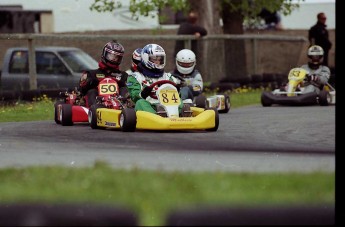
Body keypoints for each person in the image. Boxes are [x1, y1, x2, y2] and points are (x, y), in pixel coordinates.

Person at [126, 43, 185, 115]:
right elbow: (134, 95)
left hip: (169, 105)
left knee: (180, 101)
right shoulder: (135, 77)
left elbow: (177, 96)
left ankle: (183, 114)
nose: (157, 62)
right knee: (140, 103)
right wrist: (143, 93)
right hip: (150, 105)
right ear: (145, 58)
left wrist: (177, 91)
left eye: (160, 59)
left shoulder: (168, 76)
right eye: (154, 59)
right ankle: (157, 116)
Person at [78, 41, 128, 107]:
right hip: (98, 103)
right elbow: (81, 90)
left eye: (117, 58)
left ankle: (124, 108)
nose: (114, 59)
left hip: (117, 105)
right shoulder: (92, 74)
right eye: (111, 56)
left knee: (124, 90)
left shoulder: (123, 75)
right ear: (105, 54)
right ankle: (94, 110)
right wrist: (90, 82)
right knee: (92, 91)